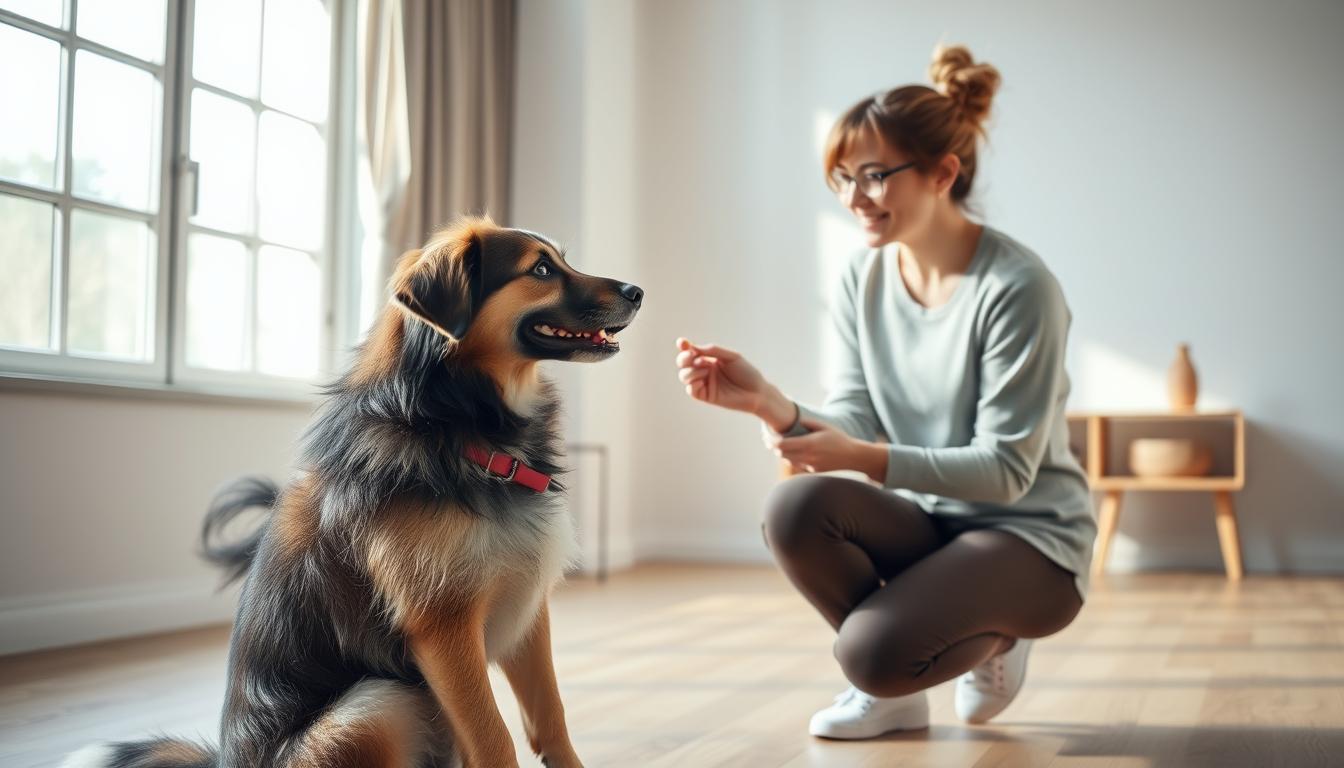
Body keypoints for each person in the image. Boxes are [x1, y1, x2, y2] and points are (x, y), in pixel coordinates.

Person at [674, 44, 1096, 739]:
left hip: (1028, 539)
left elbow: (1007, 471)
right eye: (841, 178)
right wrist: (768, 402)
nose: (852, 199)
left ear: (943, 173)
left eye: (873, 176)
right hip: (929, 526)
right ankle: (899, 694)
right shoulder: (860, 280)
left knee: (868, 652)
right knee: (794, 506)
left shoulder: (1019, 289)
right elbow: (857, 418)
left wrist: (863, 458)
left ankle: (998, 636)